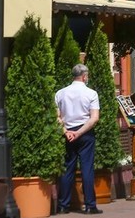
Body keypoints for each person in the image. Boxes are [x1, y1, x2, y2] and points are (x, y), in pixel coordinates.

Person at [56, 64, 102, 214]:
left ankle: (63, 205)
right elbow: (94, 118)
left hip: (67, 134)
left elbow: (56, 117)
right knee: (86, 168)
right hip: (85, 133)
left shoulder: (60, 93)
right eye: (87, 76)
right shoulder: (91, 93)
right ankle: (90, 205)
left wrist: (66, 132)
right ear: (84, 76)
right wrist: (80, 132)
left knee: (67, 169)